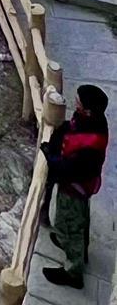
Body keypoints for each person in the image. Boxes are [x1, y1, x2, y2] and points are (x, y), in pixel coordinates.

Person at [43, 83, 109, 288]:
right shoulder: (93, 120)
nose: (75, 102)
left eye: (78, 101)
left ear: (87, 109)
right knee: (79, 221)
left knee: (69, 225)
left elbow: (72, 168)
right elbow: (70, 129)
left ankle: (73, 272)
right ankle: (79, 250)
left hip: (75, 187)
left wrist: (50, 158)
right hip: (80, 186)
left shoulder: (92, 142)